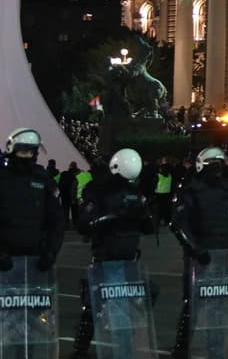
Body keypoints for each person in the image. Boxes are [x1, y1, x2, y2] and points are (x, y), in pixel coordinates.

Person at [0, 128, 65, 359]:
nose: (27, 156)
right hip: (2, 268)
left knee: (34, 328)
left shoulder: (43, 180)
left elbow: (56, 222)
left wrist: (51, 252)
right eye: (22, 152)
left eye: (31, 152)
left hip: (34, 269)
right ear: (11, 151)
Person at [72, 148, 156, 359]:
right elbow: (84, 224)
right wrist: (111, 217)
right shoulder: (99, 190)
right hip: (107, 257)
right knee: (100, 307)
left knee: (112, 305)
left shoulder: (134, 192)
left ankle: (88, 349)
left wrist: (141, 217)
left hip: (128, 259)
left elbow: (148, 226)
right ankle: (86, 350)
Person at [169, 147, 228, 359]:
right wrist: (196, 250)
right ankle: (183, 349)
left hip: (219, 255)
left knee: (216, 307)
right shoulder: (193, 189)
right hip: (201, 258)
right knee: (196, 306)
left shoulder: (227, 189)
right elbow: (179, 224)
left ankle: (213, 349)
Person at [153, 157, 174, 226]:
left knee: (159, 210)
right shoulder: (170, 175)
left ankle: (158, 221)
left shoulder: (158, 175)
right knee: (166, 209)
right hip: (167, 194)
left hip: (159, 195)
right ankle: (166, 221)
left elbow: (154, 184)